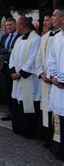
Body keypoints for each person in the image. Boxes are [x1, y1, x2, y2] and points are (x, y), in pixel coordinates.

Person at [9, 17, 41, 139]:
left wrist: (21, 73)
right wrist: (12, 71)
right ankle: (18, 128)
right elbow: (12, 57)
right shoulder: (18, 40)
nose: (16, 26)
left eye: (17, 24)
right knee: (18, 101)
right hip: (17, 79)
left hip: (28, 79)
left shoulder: (36, 39)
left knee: (29, 102)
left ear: (22, 25)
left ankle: (29, 131)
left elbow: (33, 59)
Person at [36, 9, 61, 148]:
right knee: (47, 111)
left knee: (57, 113)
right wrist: (41, 73)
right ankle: (48, 140)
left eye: (49, 19)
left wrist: (54, 76)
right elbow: (38, 57)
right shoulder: (44, 38)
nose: (47, 22)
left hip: (58, 81)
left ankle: (57, 142)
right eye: (45, 20)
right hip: (46, 80)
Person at [0, 17, 20, 121]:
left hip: (14, 68)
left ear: (15, 25)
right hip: (4, 68)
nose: (8, 27)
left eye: (10, 25)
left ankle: (16, 114)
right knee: (7, 91)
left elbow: (15, 53)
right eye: (7, 25)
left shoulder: (19, 37)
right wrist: (7, 50)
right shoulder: (4, 37)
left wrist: (5, 52)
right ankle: (10, 113)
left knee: (15, 92)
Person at [46, 8, 64, 160]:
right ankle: (59, 149)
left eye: (54, 15)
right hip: (57, 86)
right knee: (58, 118)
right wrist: (53, 76)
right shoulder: (57, 38)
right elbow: (51, 59)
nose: (52, 18)